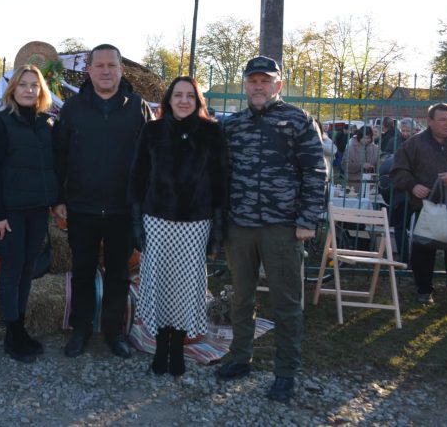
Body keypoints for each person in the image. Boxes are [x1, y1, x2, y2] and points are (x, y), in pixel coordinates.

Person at [217, 56, 326, 403]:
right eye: (253, 81)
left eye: (265, 81)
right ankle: (240, 357)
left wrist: (308, 220)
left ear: (278, 85)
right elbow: (222, 174)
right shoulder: (233, 125)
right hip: (241, 226)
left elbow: (315, 173)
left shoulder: (298, 121)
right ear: (245, 85)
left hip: (284, 227)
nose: (259, 86)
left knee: (286, 301)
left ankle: (286, 371)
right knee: (241, 297)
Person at [52, 43, 153, 359]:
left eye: (112, 65)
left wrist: (144, 202)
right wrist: (58, 198)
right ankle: (80, 329)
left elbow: (151, 158)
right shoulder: (73, 109)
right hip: (83, 206)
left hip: (123, 208)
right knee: (82, 269)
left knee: (119, 274)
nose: (106, 71)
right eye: (100, 66)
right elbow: (59, 156)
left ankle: (113, 332)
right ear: (89, 70)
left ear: (121, 69)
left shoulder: (137, 107)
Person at [128, 76, 228, 377]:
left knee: (186, 287)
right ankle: (160, 346)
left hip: (195, 224)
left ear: (198, 101)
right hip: (157, 221)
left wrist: (217, 230)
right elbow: (138, 177)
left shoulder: (212, 132)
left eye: (190, 96)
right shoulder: (153, 130)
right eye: (178, 95)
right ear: (168, 100)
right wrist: (137, 222)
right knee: (158, 282)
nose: (184, 101)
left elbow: (222, 181)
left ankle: (178, 347)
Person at [0, 64, 57, 363]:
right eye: (23, 84)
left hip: (38, 209)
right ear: (13, 88)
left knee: (28, 269)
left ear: (41, 91)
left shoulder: (46, 124)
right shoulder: (0, 123)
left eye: (34, 85)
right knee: (12, 270)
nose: (29, 89)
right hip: (11, 211)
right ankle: (12, 333)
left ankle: (21, 326)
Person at [390, 103, 447, 305]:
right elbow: (398, 170)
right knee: (423, 251)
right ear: (430, 121)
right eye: (442, 119)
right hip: (425, 208)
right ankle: (423, 291)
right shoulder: (414, 144)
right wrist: (413, 186)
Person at [342, 126, 380, 191]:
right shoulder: (351, 147)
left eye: (368, 138)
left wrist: (373, 168)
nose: (366, 140)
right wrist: (361, 165)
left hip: (370, 186)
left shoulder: (376, 149)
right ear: (359, 137)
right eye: (364, 138)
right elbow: (344, 165)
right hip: (353, 185)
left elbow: (378, 165)